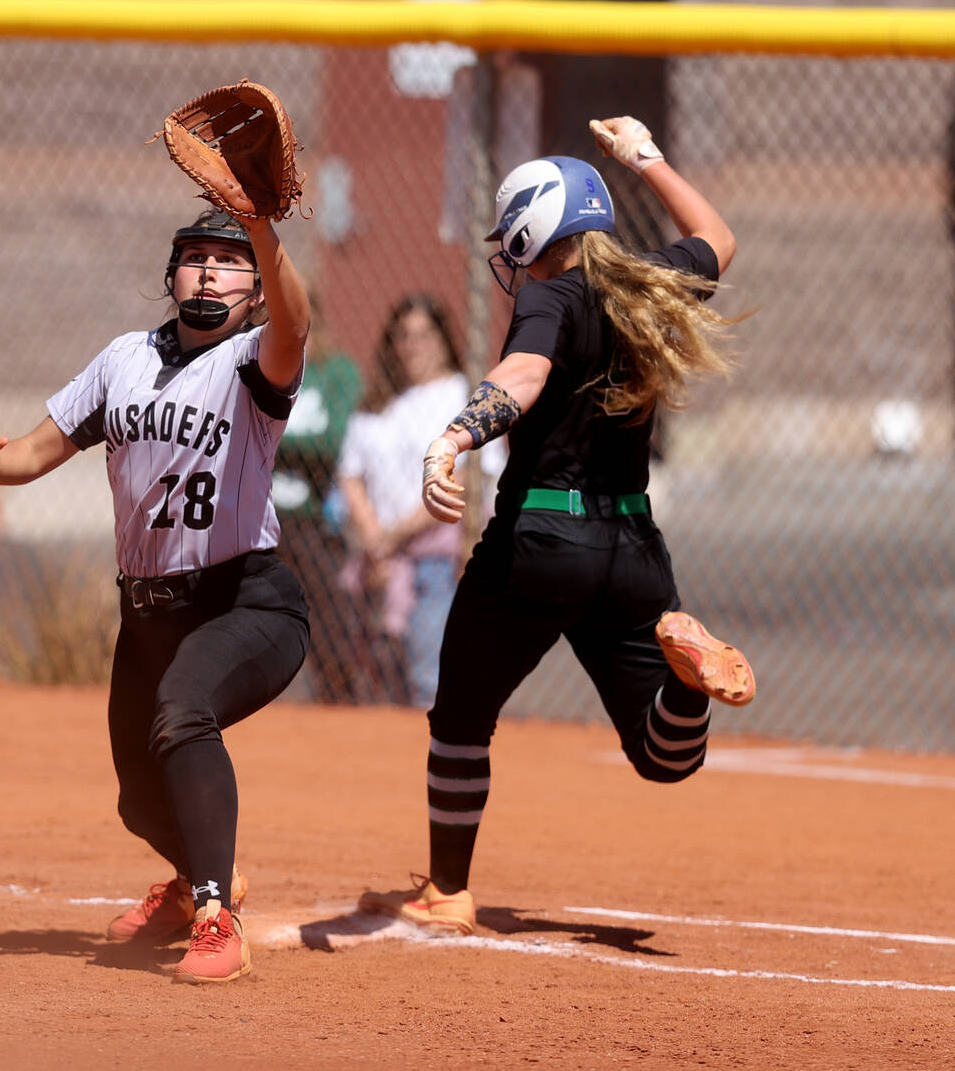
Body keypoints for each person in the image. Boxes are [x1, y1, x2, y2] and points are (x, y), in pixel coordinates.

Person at [359, 115, 755, 935]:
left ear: (538, 233)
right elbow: (717, 235)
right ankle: (686, 682)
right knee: (663, 756)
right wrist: (646, 158)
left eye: (517, 240)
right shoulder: (651, 280)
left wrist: (454, 437)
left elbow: (525, 372)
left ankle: (448, 890)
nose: (515, 259)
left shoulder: (553, 293)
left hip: (542, 540)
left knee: (461, 714)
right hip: (635, 547)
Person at [0, 205, 311, 984]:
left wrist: (264, 233)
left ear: (257, 288)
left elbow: (298, 323)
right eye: (194, 256)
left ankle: (215, 916)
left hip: (247, 603)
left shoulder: (255, 363)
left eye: (229, 262)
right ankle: (203, 875)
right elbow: (31, 451)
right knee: (137, 798)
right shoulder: (122, 360)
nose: (207, 270)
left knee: (184, 713)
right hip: (148, 615)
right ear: (170, 275)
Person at [335, 295, 500, 708]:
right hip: (381, 561)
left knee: (429, 680)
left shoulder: (463, 394)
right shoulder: (378, 403)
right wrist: (376, 540)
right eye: (403, 337)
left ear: (444, 340)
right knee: (380, 684)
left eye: (424, 336)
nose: (413, 346)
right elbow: (350, 475)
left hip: (440, 561)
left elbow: (472, 474)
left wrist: (398, 532)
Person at [271, 289, 365, 702]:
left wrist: (270, 439)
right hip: (257, 516)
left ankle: (337, 698)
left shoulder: (337, 372)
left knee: (329, 618)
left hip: (311, 519)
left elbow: (332, 443)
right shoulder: (260, 366)